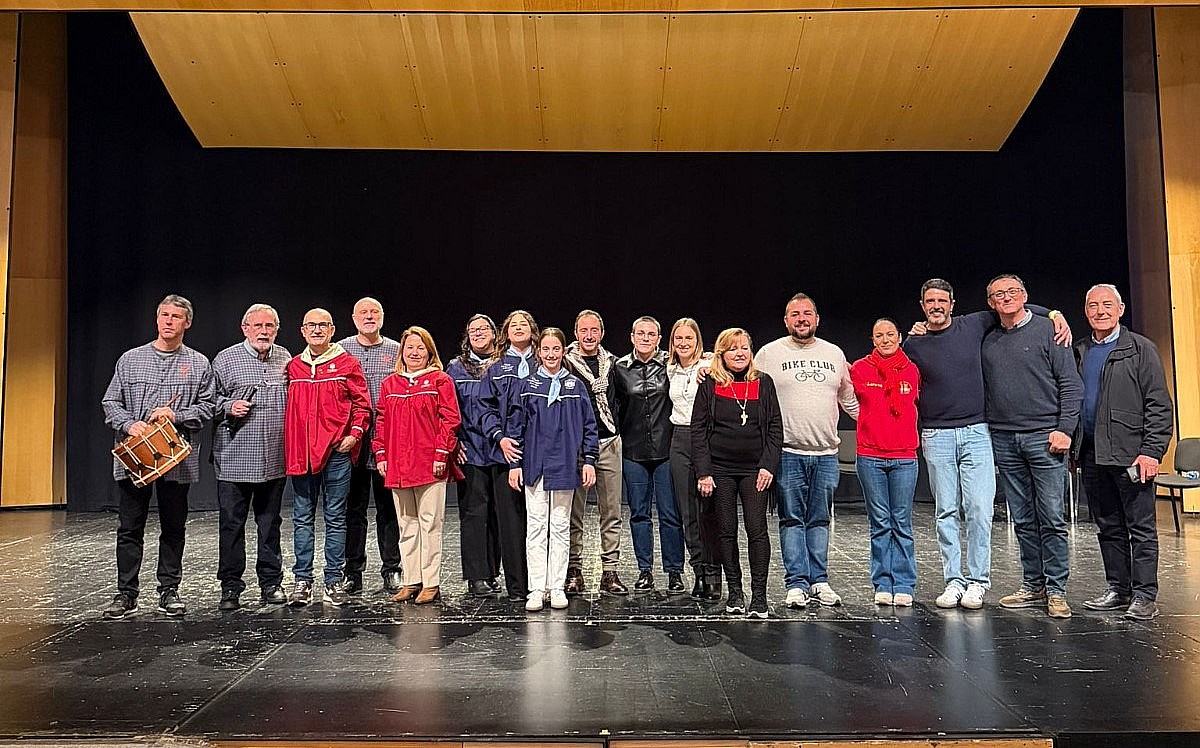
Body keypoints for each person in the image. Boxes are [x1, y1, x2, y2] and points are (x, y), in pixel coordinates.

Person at [904, 278, 1071, 609]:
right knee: (945, 511)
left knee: (980, 510)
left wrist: (1053, 313)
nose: (936, 306)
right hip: (937, 435)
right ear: (922, 306)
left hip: (977, 432)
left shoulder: (973, 324)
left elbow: (1013, 308)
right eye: (930, 301)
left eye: (942, 301)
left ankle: (978, 582)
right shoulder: (914, 343)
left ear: (952, 304)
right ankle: (954, 580)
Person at [101, 294, 215, 619]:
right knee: (130, 527)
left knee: (173, 526)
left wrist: (176, 415)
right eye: (164, 315)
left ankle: (169, 590)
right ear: (157, 318)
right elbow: (110, 402)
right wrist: (130, 424)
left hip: (176, 461)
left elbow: (207, 407)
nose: (168, 321)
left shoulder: (198, 363)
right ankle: (126, 593)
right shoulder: (130, 359)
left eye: (176, 317)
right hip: (136, 458)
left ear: (187, 323)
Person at [981, 274, 1083, 619]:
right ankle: (1033, 584)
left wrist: (1065, 429)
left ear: (1024, 294)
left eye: (1013, 291)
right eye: (999, 294)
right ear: (991, 303)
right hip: (1004, 438)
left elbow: (1071, 384)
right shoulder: (989, 339)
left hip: (1045, 437)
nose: (1006, 298)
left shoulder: (1050, 331)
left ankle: (1056, 590)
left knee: (1051, 516)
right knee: (1022, 518)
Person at [1074, 284, 1173, 621]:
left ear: (1120, 310)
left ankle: (1145, 595)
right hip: (1093, 454)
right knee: (1108, 527)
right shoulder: (1081, 350)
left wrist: (1151, 452)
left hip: (1132, 456)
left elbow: (1159, 405)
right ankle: (1119, 589)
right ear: (1086, 311)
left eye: (1107, 305)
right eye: (1092, 305)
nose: (1099, 311)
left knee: (1140, 528)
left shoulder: (1141, 349)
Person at [754, 293, 858, 608]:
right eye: (795, 314)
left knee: (819, 520)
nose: (802, 319)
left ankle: (819, 581)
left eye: (807, 313)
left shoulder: (834, 353)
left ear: (817, 319)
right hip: (788, 453)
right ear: (786, 321)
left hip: (826, 454)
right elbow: (744, 382)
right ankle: (797, 583)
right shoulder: (769, 353)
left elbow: (849, 399)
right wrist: (708, 365)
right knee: (791, 520)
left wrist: (879, 425)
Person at [506, 327, 599, 612]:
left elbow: (589, 427)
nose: (550, 354)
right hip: (535, 465)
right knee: (536, 527)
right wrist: (515, 464)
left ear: (563, 351)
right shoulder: (527, 386)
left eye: (556, 349)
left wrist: (589, 460)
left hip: (565, 465)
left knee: (560, 527)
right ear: (539, 351)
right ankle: (537, 588)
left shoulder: (575, 386)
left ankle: (557, 586)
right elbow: (516, 427)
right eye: (545, 349)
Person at [692, 328, 782, 619]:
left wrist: (768, 465)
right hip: (720, 470)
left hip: (755, 470)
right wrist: (704, 472)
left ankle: (759, 596)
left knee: (757, 530)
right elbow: (698, 430)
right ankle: (735, 592)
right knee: (726, 531)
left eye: (744, 347)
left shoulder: (763, 382)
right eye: (733, 349)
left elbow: (775, 428)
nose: (740, 353)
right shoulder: (710, 384)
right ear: (722, 354)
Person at [284, 308, 371, 607]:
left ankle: (333, 580)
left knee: (335, 518)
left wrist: (353, 436)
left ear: (333, 330)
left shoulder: (347, 363)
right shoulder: (294, 366)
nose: (317, 330)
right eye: (311, 325)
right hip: (303, 454)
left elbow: (362, 406)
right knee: (302, 518)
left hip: (336, 454)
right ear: (303, 331)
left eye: (323, 325)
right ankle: (302, 581)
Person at [373, 326, 463, 605]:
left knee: (430, 524)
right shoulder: (390, 384)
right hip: (398, 464)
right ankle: (411, 580)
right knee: (406, 525)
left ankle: (431, 582)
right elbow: (381, 421)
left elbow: (450, 419)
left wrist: (441, 454)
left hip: (429, 464)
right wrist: (381, 454)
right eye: (409, 348)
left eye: (420, 348)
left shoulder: (440, 380)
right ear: (402, 352)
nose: (414, 353)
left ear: (429, 352)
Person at [210, 303, 291, 610]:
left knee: (270, 524)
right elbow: (208, 401)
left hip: (274, 458)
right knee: (232, 525)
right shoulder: (225, 359)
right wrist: (228, 406)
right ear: (245, 329)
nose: (263, 331)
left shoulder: (286, 358)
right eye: (258, 326)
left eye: (269, 326)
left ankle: (271, 583)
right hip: (235, 458)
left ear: (277, 330)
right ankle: (231, 586)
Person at [850, 319, 920, 607]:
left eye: (890, 334)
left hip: (904, 457)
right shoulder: (859, 369)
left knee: (901, 522)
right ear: (872, 339)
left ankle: (903, 583)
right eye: (879, 335)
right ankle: (882, 582)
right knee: (880, 522)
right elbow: (846, 399)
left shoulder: (912, 370)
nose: (885, 339)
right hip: (871, 456)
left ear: (899, 337)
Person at [613, 316, 686, 593]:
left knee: (670, 514)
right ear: (632, 337)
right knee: (639, 514)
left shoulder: (671, 364)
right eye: (640, 333)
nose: (645, 338)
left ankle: (675, 571)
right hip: (634, 452)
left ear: (659, 338)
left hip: (666, 450)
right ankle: (645, 570)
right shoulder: (619, 368)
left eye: (651, 334)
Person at [338, 297, 403, 595]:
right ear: (354, 319)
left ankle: (392, 569)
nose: (369, 317)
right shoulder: (340, 350)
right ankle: (353, 571)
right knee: (353, 509)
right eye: (363, 312)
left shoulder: (397, 351)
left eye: (374, 312)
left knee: (389, 509)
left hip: (387, 442)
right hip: (352, 442)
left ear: (382, 317)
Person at [562, 310, 628, 596]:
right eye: (583, 330)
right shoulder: (565, 363)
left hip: (609, 442)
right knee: (573, 513)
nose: (589, 336)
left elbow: (624, 398)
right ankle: (574, 569)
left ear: (602, 333)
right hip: (577, 447)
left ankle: (610, 571)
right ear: (576, 333)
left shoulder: (613, 364)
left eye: (594, 330)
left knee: (611, 511)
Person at [480, 310, 539, 602]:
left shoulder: (546, 361)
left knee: (540, 521)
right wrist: (499, 438)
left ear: (533, 329)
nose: (518, 328)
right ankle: (518, 586)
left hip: (541, 455)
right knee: (511, 522)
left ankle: (542, 582)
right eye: (513, 325)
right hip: (505, 454)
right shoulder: (496, 367)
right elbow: (485, 408)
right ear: (505, 333)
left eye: (523, 324)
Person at [446, 314, 504, 597]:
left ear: (494, 333)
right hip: (470, 449)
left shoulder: (505, 364)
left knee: (498, 513)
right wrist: (454, 442)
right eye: (473, 330)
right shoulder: (456, 367)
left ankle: (493, 571)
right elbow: (448, 408)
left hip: (501, 449)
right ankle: (477, 576)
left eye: (483, 329)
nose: (478, 333)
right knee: (474, 513)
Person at [666, 317, 720, 599]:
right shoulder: (670, 368)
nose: (683, 343)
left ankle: (714, 574)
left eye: (689, 338)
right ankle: (699, 571)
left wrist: (712, 363)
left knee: (708, 512)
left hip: (706, 439)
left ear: (698, 340)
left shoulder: (709, 366)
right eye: (679, 338)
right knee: (688, 513)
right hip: (679, 439)